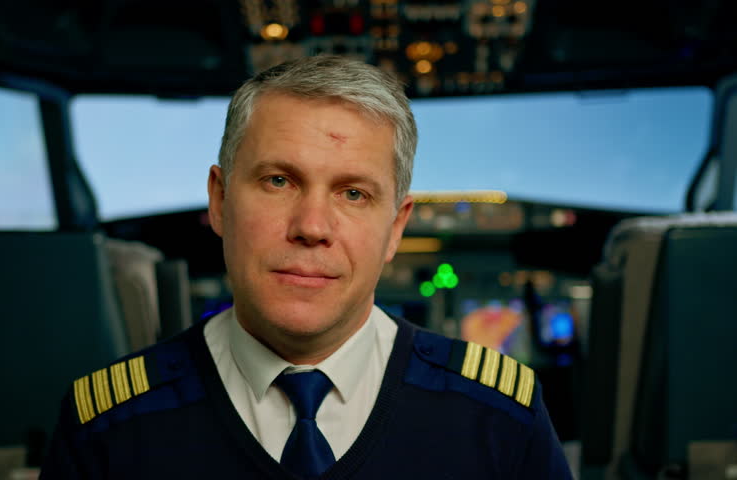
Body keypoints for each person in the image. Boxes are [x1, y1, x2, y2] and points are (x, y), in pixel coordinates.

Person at [40, 55, 573, 479]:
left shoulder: (501, 415)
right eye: (279, 181)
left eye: (354, 193)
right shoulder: (105, 427)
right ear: (220, 202)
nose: (312, 225)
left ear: (395, 228)